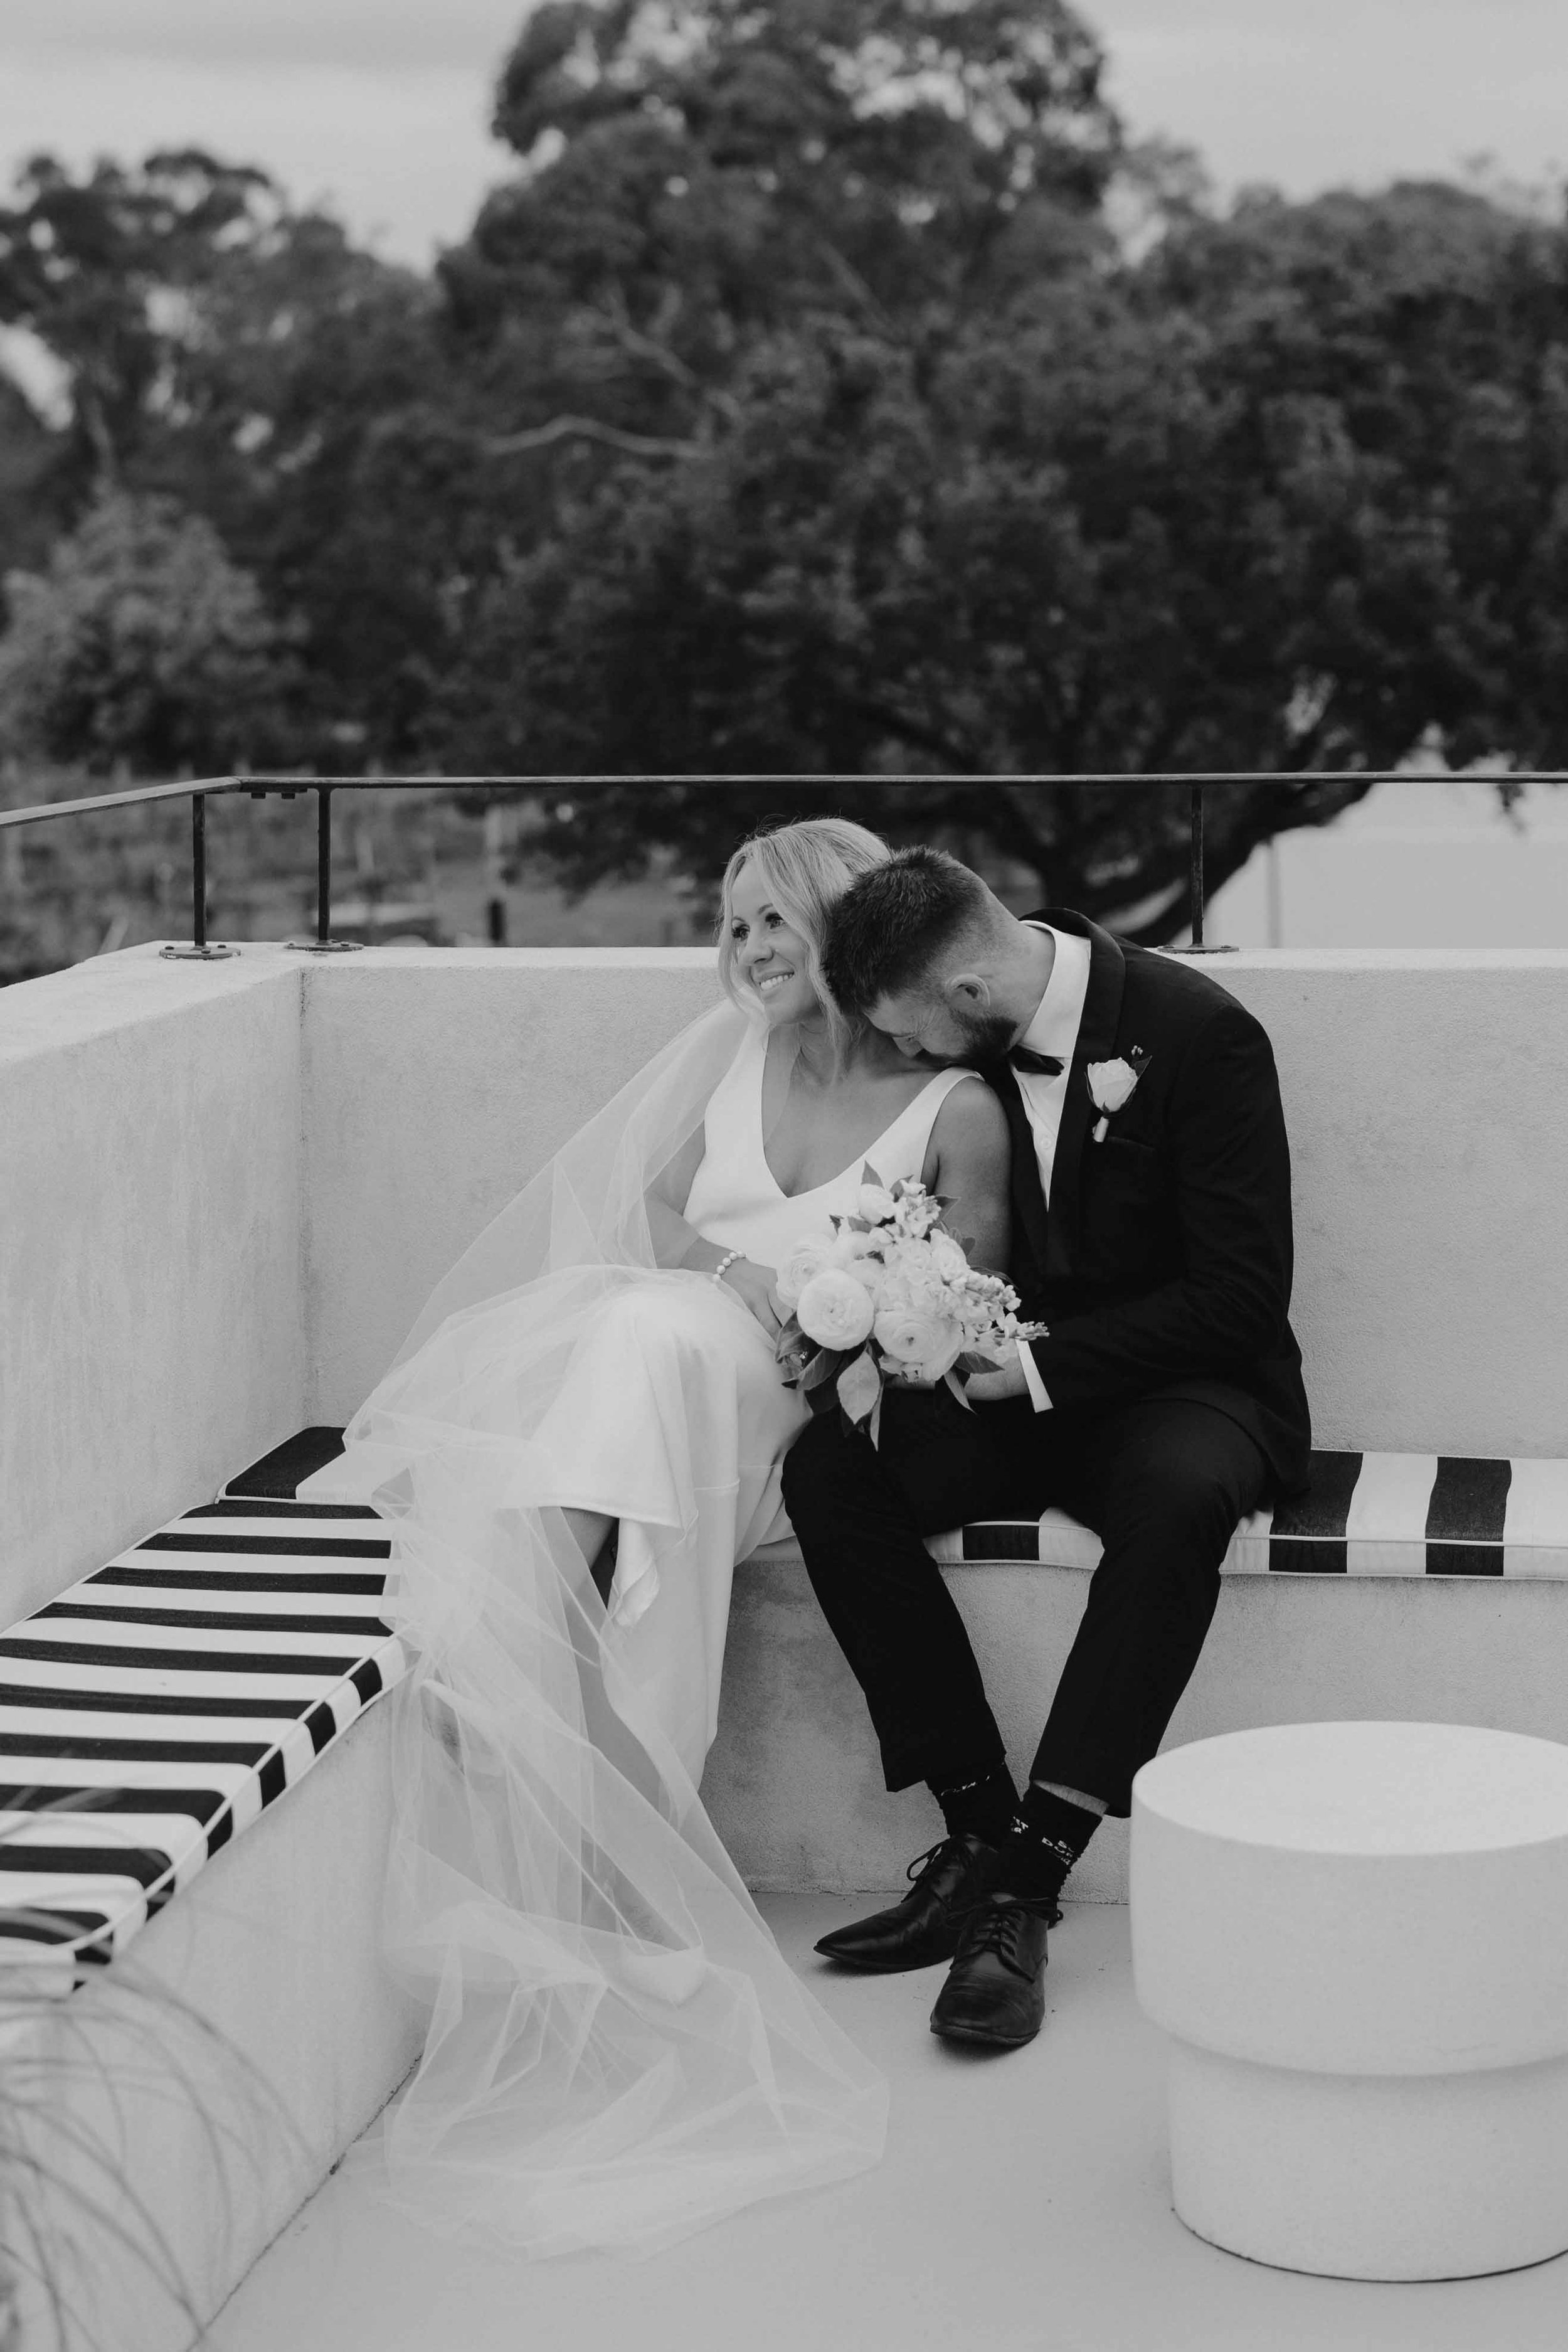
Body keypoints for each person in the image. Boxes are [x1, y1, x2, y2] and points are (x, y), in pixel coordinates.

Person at [297, 818, 1013, 2255]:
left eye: (773, 923)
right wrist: (751, 1279)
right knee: (641, 1330)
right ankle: (619, 1801)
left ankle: (536, 1635)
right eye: (732, 924)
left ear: (844, 931)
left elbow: (967, 1319)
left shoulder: (954, 1108)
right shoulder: (733, 1062)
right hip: (673, 1385)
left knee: (640, 1346)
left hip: (795, 1423)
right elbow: (655, 1234)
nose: (746, 952)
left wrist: (848, 1318)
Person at [781, 847, 1311, 2051]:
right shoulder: (973, 1046)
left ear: (966, 994)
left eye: (910, 1036)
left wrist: (1030, 1368)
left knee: (1178, 1499)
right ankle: (971, 1828)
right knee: (832, 1465)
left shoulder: (1202, 1034)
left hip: (1194, 1393)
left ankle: (1028, 1881)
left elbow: (1240, 1294)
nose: (912, 1063)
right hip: (1020, 1394)